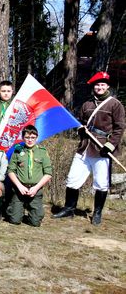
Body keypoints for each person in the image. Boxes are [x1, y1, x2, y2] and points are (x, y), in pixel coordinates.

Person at [53, 71, 126, 225]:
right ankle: (69, 209)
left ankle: (97, 213)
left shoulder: (115, 104)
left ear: (107, 86)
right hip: (85, 147)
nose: (99, 87)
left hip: (102, 149)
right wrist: (80, 129)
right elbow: (80, 122)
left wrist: (110, 145)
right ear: (94, 87)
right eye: (97, 85)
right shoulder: (87, 104)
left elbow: (119, 128)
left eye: (102, 84)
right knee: (73, 179)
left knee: (101, 183)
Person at [7, 125, 52, 227]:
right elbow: (10, 171)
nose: (30, 140)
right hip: (20, 189)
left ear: (36, 137)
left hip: (35, 189)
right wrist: (19, 186)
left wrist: (36, 188)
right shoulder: (18, 151)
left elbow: (48, 173)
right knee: (14, 220)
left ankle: (34, 210)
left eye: (32, 138)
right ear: (23, 138)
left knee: (35, 223)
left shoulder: (42, 152)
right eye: (27, 137)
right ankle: (16, 208)